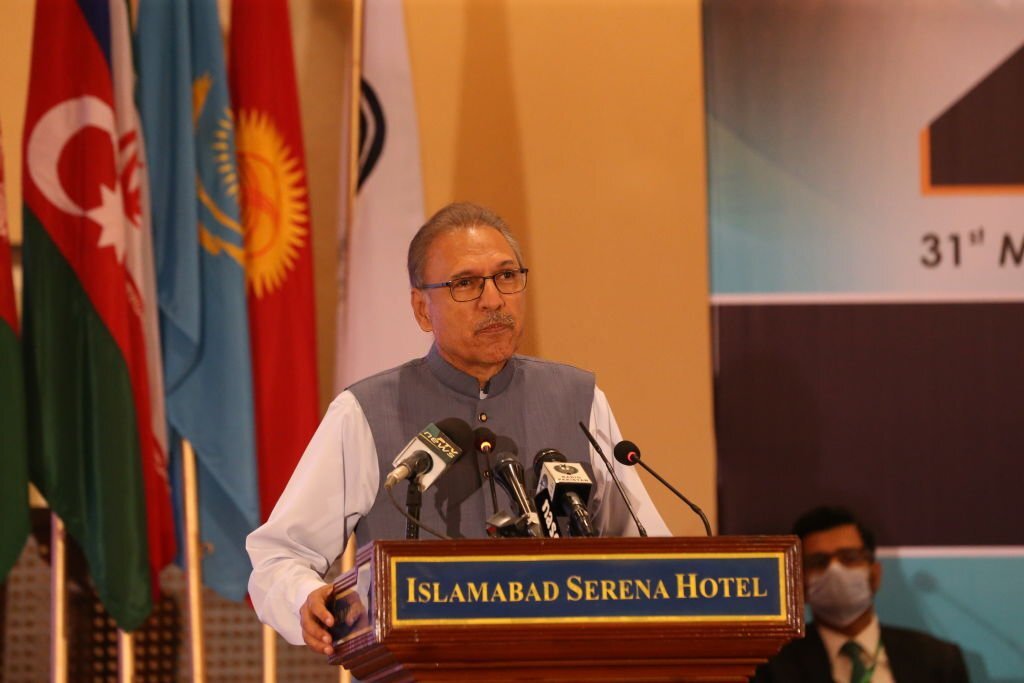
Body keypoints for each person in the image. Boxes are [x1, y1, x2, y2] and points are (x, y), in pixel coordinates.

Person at [247, 202, 669, 655]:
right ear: (422, 309)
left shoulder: (579, 400)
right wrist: (303, 598)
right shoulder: (365, 412)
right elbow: (279, 556)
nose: (494, 300)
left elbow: (649, 551)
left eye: (506, 276)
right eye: (466, 284)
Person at [752, 506, 969, 683]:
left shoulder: (938, 660)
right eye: (819, 562)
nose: (835, 571)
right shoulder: (772, 668)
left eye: (849, 557)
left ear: (875, 575)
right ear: (799, 585)